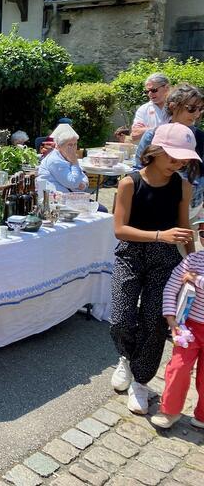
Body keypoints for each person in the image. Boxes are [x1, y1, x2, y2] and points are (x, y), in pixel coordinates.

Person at [110, 123, 199, 414]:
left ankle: (142, 381)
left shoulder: (183, 186)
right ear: (155, 151)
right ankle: (126, 356)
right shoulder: (129, 183)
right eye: (173, 156)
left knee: (155, 321)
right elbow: (120, 230)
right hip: (130, 253)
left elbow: (184, 229)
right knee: (121, 317)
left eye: (184, 158)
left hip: (166, 259)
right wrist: (160, 235)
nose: (179, 163)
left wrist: (194, 266)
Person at [149, 221, 204, 429]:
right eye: (203, 232)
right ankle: (170, 411)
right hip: (189, 327)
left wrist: (195, 279)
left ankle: (203, 414)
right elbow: (171, 288)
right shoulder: (192, 259)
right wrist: (172, 320)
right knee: (178, 368)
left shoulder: (194, 270)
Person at [134, 84, 204, 218]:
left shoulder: (200, 138)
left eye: (200, 109)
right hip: (153, 202)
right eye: (191, 108)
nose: (196, 114)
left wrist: (188, 189)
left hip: (190, 207)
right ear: (173, 106)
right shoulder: (152, 135)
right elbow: (138, 168)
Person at [37, 124, 88, 193]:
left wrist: (84, 184)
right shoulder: (55, 160)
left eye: (75, 144)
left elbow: (82, 176)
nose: (73, 148)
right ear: (59, 146)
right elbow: (73, 183)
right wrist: (75, 163)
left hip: (64, 197)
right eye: (70, 145)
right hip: (49, 198)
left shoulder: (67, 156)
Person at [131, 73, 171, 140]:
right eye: (147, 91)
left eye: (153, 90)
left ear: (166, 88)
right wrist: (161, 129)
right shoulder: (143, 109)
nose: (150, 94)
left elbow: (182, 130)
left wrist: (146, 130)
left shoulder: (176, 107)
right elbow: (135, 134)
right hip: (150, 150)